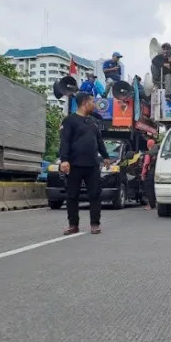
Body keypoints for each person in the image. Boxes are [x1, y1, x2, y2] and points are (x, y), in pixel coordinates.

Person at [59, 92, 110, 235]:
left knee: (95, 195)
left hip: (92, 164)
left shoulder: (93, 122)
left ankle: (95, 224)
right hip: (74, 164)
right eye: (92, 102)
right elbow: (65, 142)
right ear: (85, 103)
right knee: (72, 196)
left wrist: (106, 156)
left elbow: (99, 141)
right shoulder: (69, 121)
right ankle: (73, 225)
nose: (94, 105)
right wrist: (64, 160)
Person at [141, 139, 158, 209]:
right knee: (155, 188)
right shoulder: (159, 152)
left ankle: (151, 205)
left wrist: (143, 174)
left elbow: (146, 164)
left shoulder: (148, 153)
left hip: (150, 173)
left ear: (148, 145)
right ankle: (155, 203)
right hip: (158, 172)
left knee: (149, 189)